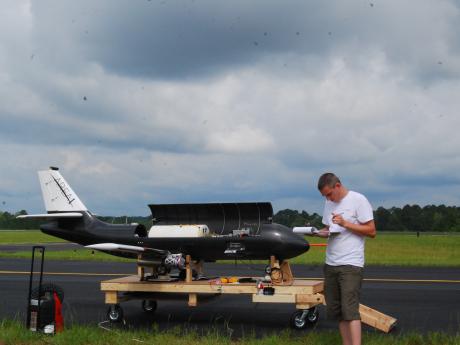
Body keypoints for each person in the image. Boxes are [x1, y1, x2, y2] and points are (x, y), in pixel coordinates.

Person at [313, 173, 376, 345]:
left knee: (350, 311)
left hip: (351, 264)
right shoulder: (328, 203)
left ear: (338, 186)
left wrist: (346, 223)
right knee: (338, 311)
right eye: (325, 196)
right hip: (331, 263)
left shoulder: (358, 200)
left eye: (329, 194)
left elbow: (371, 231)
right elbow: (328, 227)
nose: (328, 198)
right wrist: (318, 232)